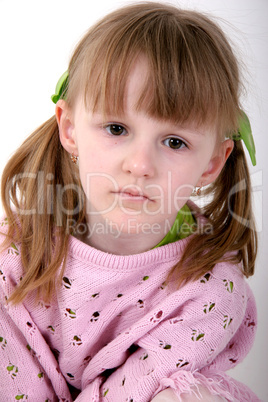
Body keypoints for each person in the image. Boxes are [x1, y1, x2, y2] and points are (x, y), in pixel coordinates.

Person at [0, 2, 260, 401]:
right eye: (117, 128)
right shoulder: (15, 253)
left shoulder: (212, 288)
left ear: (211, 162)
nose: (140, 165)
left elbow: (133, 391)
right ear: (69, 129)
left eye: (174, 142)